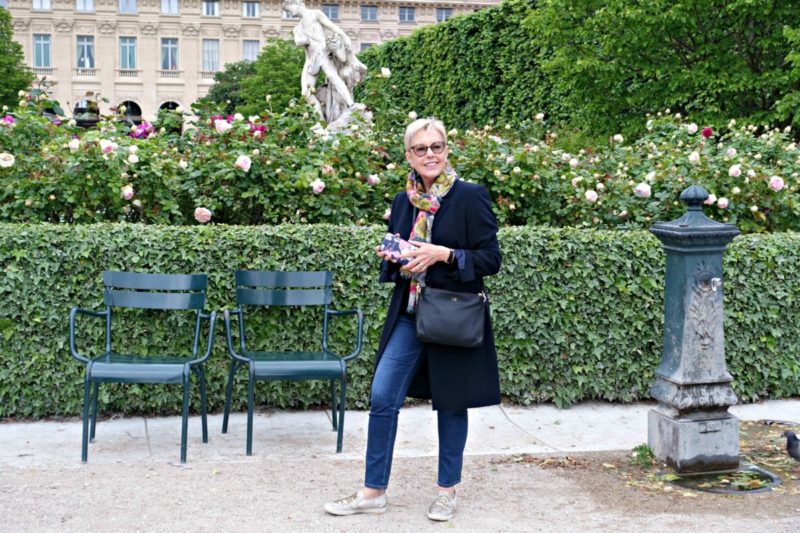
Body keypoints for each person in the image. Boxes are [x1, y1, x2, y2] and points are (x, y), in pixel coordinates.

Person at [324, 118, 502, 521]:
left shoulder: (470, 197)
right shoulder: (404, 200)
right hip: (409, 314)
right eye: (421, 149)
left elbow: (492, 259)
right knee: (383, 396)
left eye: (436, 147)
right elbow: (402, 261)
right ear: (409, 156)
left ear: (446, 151)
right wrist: (396, 256)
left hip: (451, 316)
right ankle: (372, 492)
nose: (430, 155)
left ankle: (446, 491)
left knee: (451, 405)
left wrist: (445, 254)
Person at [282, 0, 367, 123]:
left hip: (322, 53)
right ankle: (320, 121)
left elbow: (333, 27)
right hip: (311, 61)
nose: (290, 14)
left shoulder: (315, 14)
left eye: (289, 10)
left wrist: (345, 38)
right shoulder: (298, 28)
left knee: (334, 77)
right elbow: (302, 48)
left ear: (297, 3)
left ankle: (350, 104)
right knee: (305, 93)